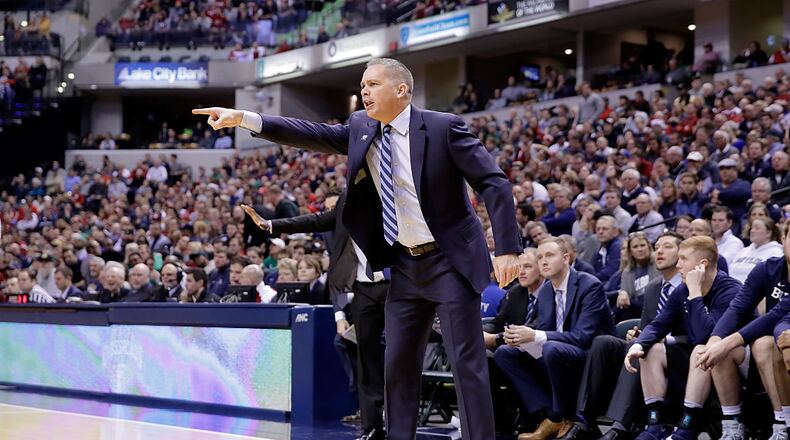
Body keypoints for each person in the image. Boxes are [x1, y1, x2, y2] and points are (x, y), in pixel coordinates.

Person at [193, 57, 522, 440]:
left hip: (450, 260)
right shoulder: (360, 128)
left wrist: (507, 249)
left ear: (401, 90)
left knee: (466, 364)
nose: (364, 91)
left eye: (373, 84)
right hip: (404, 262)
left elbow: (494, 183)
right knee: (397, 364)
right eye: (362, 85)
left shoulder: (443, 128)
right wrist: (247, 119)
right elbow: (311, 132)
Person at [493, 238, 613, 440]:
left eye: (549, 255)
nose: (544, 262)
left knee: (551, 348)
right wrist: (519, 337)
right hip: (556, 354)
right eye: (540, 257)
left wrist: (535, 335)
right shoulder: (547, 291)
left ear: (566, 258)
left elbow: (583, 337)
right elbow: (543, 330)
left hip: (590, 356)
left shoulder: (589, 285)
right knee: (505, 353)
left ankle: (556, 415)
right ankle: (550, 415)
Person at [624, 236, 742, 440]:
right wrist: (639, 344)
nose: (678, 265)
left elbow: (708, 335)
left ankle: (687, 426)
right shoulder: (683, 289)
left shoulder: (730, 289)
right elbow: (660, 323)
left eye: (683, 259)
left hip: (733, 359)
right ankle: (655, 424)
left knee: (702, 349)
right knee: (651, 349)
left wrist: (695, 293)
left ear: (702, 264)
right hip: (696, 358)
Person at [570, 232, 685, 440]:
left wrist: (652, 340)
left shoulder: (691, 285)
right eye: (657, 246)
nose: (659, 251)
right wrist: (638, 333)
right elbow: (647, 326)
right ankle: (584, 419)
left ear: (683, 253)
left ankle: (620, 426)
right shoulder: (653, 287)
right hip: (652, 345)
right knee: (603, 342)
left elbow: (694, 332)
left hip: (677, 350)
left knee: (642, 349)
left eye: (667, 246)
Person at [696, 225, 790, 440]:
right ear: (783, 238)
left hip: (782, 339)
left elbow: (776, 315)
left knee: (766, 344)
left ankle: (781, 424)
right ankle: (732, 425)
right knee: (723, 350)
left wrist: (726, 342)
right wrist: (715, 340)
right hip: (777, 339)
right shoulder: (767, 269)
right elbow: (738, 307)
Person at [727, 217, 783, 283]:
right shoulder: (744, 251)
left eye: (757, 228)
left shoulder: (776, 253)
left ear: (769, 233)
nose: (752, 231)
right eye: (752, 227)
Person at [593, 216, 622, 282]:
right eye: (598, 229)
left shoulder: (617, 246)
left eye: (605, 229)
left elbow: (611, 271)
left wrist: (592, 279)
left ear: (615, 232)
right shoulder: (600, 248)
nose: (600, 232)